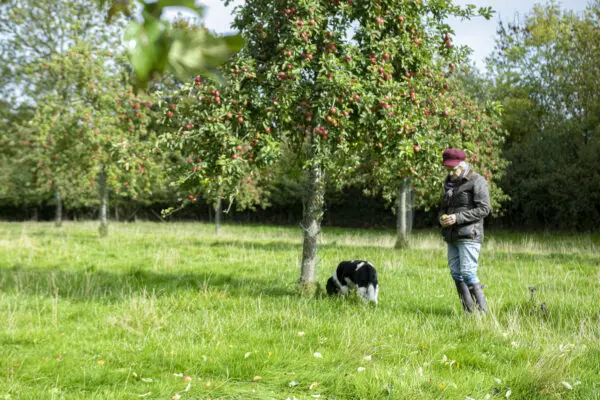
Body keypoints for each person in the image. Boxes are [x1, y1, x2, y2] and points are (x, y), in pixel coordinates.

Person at [438, 148, 491, 313]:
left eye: (454, 168)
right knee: (456, 273)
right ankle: (469, 313)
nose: (452, 171)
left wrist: (457, 218)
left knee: (468, 273)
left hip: (470, 234)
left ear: (463, 163)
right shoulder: (447, 184)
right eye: (448, 168)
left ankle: (482, 314)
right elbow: (442, 208)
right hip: (452, 235)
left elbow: (484, 209)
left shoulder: (477, 180)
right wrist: (442, 218)